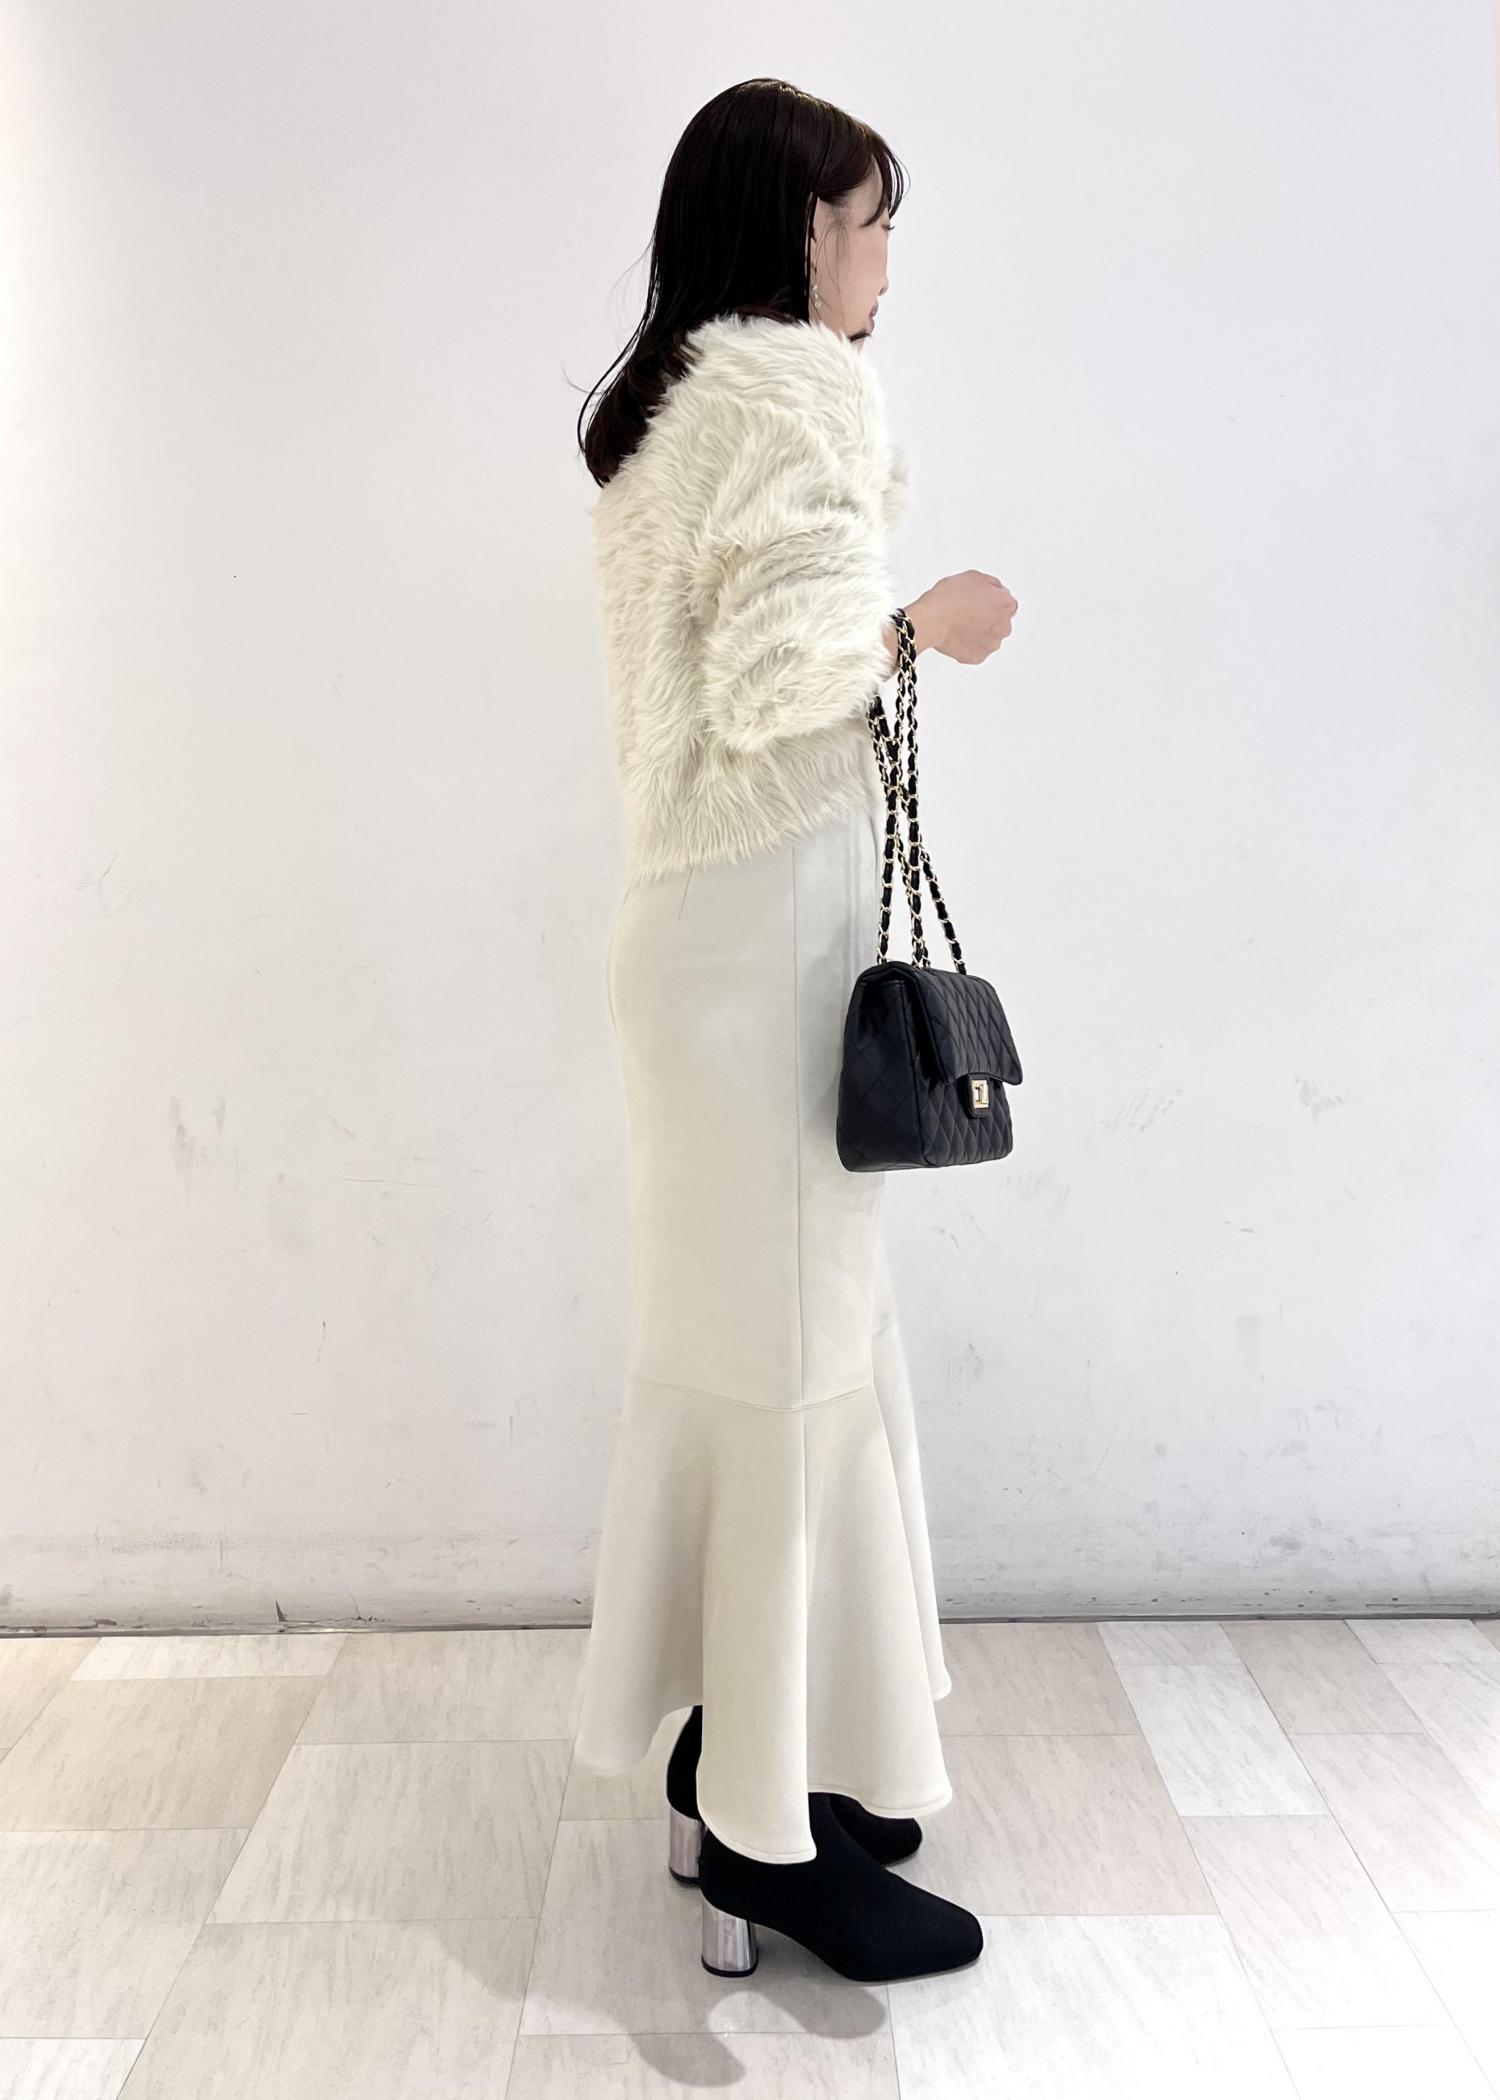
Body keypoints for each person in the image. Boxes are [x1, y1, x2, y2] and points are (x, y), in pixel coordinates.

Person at [571, 77, 1016, 1984]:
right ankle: (770, 1839)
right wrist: (930, 621)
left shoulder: (669, 403)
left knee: (747, 1359)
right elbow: (784, 680)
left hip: (697, 944)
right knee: (797, 1360)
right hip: (759, 949)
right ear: (797, 233)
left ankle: (733, 1765)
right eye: (870, 220)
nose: (887, 258)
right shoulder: (795, 392)